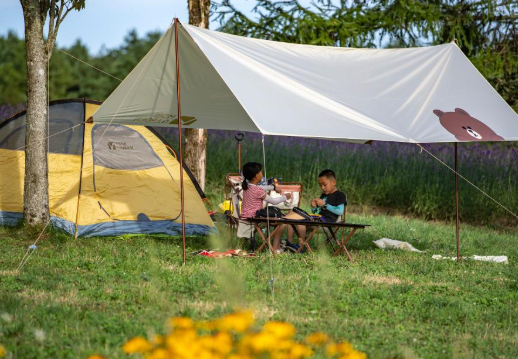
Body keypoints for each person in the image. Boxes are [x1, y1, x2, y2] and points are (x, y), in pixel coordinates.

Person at [239, 162, 292, 253]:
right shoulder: (258, 190)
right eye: (261, 172)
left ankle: (276, 246)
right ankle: (275, 248)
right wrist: (285, 197)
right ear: (256, 176)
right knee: (282, 220)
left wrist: (273, 187)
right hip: (255, 218)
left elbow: (262, 187)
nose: (262, 174)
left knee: (277, 218)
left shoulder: (247, 187)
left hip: (246, 217)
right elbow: (274, 201)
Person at [286, 169, 346, 249]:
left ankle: (300, 246)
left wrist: (325, 204)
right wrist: (313, 207)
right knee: (292, 217)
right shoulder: (324, 195)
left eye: (324, 185)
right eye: (320, 185)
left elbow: (340, 211)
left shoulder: (340, 195)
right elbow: (316, 212)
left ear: (333, 182)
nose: (322, 188)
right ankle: (289, 243)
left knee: (301, 221)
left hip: (327, 223)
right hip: (318, 219)